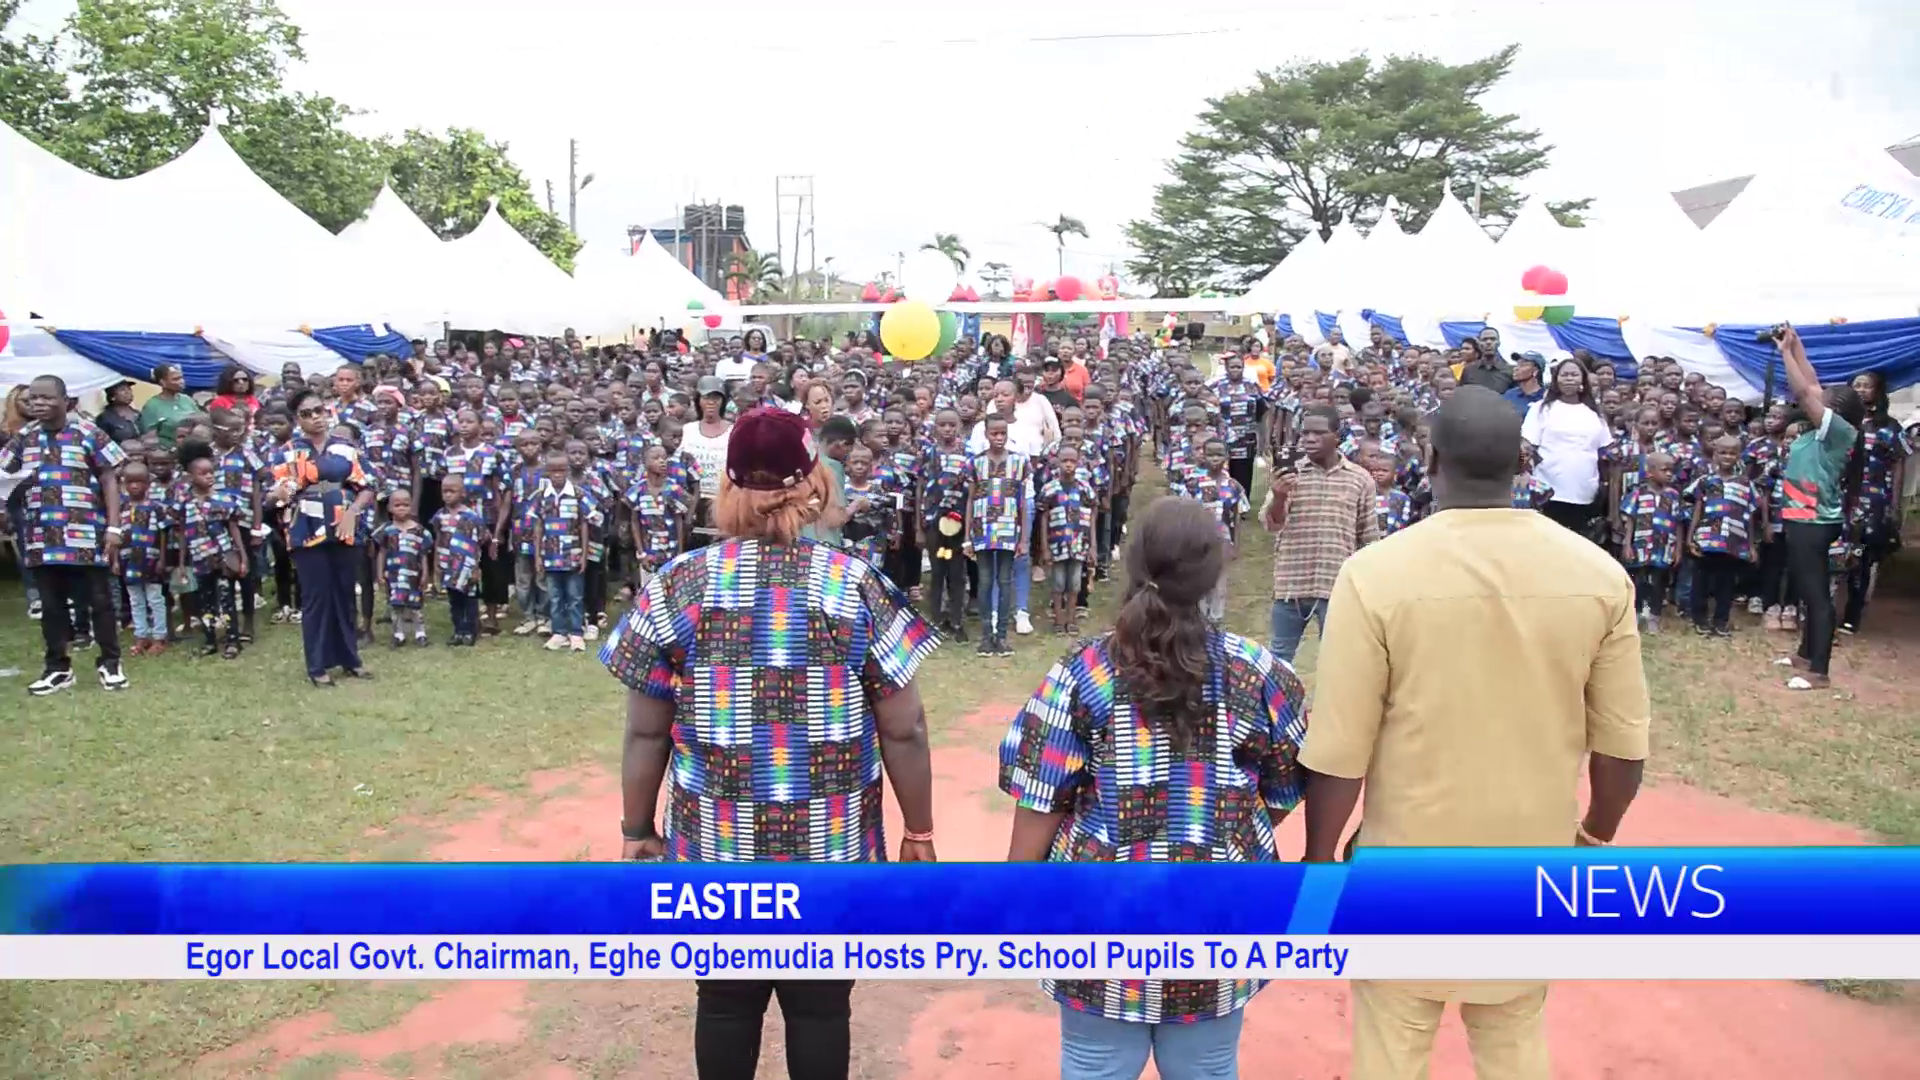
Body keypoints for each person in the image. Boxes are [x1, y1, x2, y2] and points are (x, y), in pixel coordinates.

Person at [1301, 386, 1650, 1080]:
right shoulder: (1599, 576)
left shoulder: (1375, 575)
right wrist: (1593, 836)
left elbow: (1340, 750)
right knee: (1515, 1035)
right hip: (1533, 866)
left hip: (1402, 867)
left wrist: (1318, 864)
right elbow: (1622, 746)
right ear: (1524, 462)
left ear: (1429, 460)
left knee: (1390, 1045)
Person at [603, 406, 938, 1080]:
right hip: (832, 848)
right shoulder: (854, 583)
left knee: (724, 1001)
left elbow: (646, 727)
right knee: (821, 1007)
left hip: (717, 851)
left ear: (726, 488)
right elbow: (905, 726)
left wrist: (637, 827)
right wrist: (920, 831)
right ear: (813, 484)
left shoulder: (678, 583)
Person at [999, 495, 1306, 1080]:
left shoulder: (1081, 671)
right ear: (1218, 571)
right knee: (1208, 1067)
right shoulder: (1259, 671)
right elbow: (1283, 788)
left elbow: (1041, 793)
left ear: (1132, 564)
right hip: (1221, 911)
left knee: (1095, 1066)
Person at [5, 375, 131, 694]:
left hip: (85, 534)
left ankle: (110, 664)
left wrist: (114, 527)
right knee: (51, 606)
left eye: (46, 398)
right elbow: (5, 475)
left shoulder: (87, 432)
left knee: (99, 601)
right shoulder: (25, 437)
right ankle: (58, 668)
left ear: (65, 400)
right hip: (41, 536)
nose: (38, 404)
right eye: (33, 398)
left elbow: (109, 477)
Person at [1772, 326, 1866, 691]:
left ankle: (1819, 671)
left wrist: (1784, 357)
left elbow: (1802, 390)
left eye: (1823, 398)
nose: (1815, 397)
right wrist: (1794, 346)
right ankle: (1805, 654)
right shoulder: (1824, 428)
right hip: (1802, 517)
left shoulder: (1839, 432)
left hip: (1813, 521)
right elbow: (1810, 385)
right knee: (1805, 587)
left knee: (1816, 595)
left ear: (1835, 409)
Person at [266, 387, 374, 687]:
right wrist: (279, 493)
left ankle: (351, 659)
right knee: (316, 598)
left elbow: (367, 486)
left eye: (319, 411)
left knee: (344, 595)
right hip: (306, 530)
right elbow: (280, 492)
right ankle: (317, 666)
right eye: (306, 414)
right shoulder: (287, 452)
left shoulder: (345, 447)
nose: (316, 418)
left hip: (345, 528)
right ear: (297, 419)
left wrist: (352, 512)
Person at [1261, 405, 1377, 663]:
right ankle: (1277, 705)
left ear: (1337, 436)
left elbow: (1368, 537)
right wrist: (1279, 496)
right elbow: (1272, 525)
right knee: (1279, 658)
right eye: (1305, 433)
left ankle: (1330, 705)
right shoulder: (1290, 474)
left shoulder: (1360, 479)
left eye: (1318, 433)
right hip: (1291, 582)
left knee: (1337, 660)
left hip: (1337, 584)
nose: (1310, 439)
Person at [1841, 370, 1910, 635]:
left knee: (1863, 557)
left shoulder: (1890, 427)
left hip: (1873, 499)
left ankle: (1852, 615)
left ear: (1878, 392)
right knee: (1834, 551)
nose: (1860, 390)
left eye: (1866, 386)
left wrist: (1895, 505)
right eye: (1856, 385)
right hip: (1841, 496)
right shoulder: (1841, 421)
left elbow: (1899, 464)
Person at [1520, 359, 1613, 540]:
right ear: (1556, 379)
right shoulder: (1541, 409)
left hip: (1585, 490)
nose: (1569, 379)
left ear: (1582, 381)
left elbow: (1605, 450)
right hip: (1548, 490)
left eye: (1574, 374)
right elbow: (1528, 445)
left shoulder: (1594, 412)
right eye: (1564, 375)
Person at [174, 439, 248, 658]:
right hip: (199, 558)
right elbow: (182, 534)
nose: (209, 476)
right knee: (205, 601)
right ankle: (210, 640)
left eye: (211, 472)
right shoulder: (184, 502)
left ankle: (232, 639)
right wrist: (180, 563)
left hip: (223, 556)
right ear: (189, 476)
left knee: (226, 598)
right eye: (203, 473)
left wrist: (242, 556)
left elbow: (233, 528)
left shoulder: (223, 499)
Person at [964, 413, 1029, 657]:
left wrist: (1023, 538)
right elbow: (970, 500)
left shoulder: (1020, 462)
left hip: (1009, 529)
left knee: (1004, 581)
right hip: (982, 530)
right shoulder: (975, 463)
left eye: (1003, 433)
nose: (999, 437)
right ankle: (985, 635)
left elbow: (1021, 501)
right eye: (994, 433)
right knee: (984, 581)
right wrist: (968, 536)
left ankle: (1001, 636)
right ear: (986, 434)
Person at [433, 473, 488, 647]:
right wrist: (436, 562)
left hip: (466, 566)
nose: (448, 495)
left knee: (470, 600)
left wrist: (476, 567)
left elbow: (479, 542)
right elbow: (438, 539)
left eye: (452, 491)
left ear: (463, 493)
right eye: (445, 491)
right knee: (454, 601)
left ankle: (470, 631)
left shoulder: (471, 517)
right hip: (447, 565)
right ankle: (458, 631)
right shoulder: (439, 516)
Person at [373, 488, 432, 648]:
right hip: (394, 575)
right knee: (396, 605)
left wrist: (425, 574)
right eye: (397, 505)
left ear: (411, 506)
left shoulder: (419, 531)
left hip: (414, 574)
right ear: (390, 508)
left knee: (415, 606)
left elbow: (424, 554)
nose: (401, 508)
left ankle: (420, 633)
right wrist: (379, 573)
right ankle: (399, 634)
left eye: (405, 505)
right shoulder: (387, 530)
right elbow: (382, 553)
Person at [139, 363, 199, 449]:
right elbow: (150, 439)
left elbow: (200, 422)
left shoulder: (187, 400)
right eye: (175, 379)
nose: (181, 381)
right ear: (162, 382)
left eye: (181, 377)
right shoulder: (152, 406)